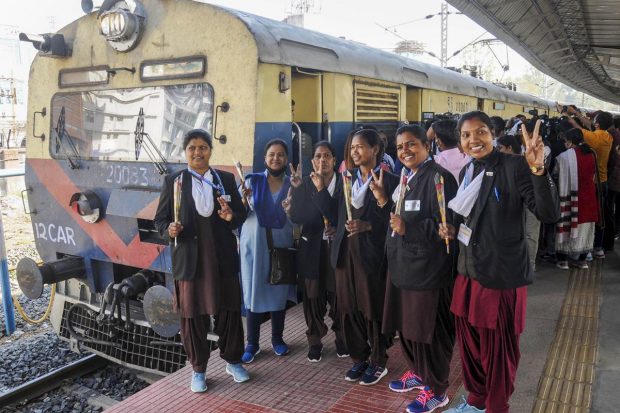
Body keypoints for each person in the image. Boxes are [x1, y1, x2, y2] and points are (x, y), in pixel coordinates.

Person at [440, 111, 559, 413]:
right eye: (466, 135)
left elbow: (548, 213)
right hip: (469, 273)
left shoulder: (514, 166)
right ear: (461, 141)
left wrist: (538, 169)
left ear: (492, 133)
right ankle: (477, 401)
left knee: (498, 353)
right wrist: (451, 229)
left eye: (480, 132)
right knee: (471, 348)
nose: (473, 140)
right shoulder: (467, 170)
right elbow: (469, 218)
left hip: (500, 276)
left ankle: (496, 407)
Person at [154, 129, 249, 393]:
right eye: (193, 148)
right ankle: (198, 370)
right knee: (192, 316)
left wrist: (232, 217)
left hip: (222, 258)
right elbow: (160, 221)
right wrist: (168, 230)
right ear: (185, 152)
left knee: (228, 311)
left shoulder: (225, 179)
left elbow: (242, 214)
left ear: (210, 150)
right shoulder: (174, 182)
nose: (198, 152)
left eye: (203, 147)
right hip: (189, 261)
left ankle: (233, 361)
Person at [380, 125, 458, 413]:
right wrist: (383, 201)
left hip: (428, 269)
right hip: (404, 266)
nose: (405, 151)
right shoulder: (408, 177)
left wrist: (409, 227)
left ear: (427, 146)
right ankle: (418, 372)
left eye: (411, 144)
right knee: (409, 327)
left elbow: (449, 224)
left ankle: (437, 390)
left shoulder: (439, 178)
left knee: (429, 331)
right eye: (400, 147)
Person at [315, 128, 399, 385]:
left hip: (372, 255)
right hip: (344, 254)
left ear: (375, 150)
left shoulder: (391, 181)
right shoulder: (346, 177)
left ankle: (378, 360)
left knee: (371, 307)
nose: (355, 151)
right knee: (348, 308)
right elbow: (335, 212)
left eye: (360, 147)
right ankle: (358, 357)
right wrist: (320, 189)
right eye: (352, 148)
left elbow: (396, 221)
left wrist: (368, 226)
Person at [287, 141, 349, 362]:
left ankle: (342, 338)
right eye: (318, 156)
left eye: (326, 156)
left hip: (336, 249)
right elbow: (298, 217)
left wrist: (337, 224)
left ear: (334, 160)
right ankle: (314, 341)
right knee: (312, 298)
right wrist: (292, 203)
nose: (322, 160)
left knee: (339, 296)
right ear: (313, 161)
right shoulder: (304, 184)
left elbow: (342, 215)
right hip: (312, 247)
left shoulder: (344, 184)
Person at [239, 139, 297, 363]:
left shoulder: (293, 184)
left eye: (281, 154)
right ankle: (252, 343)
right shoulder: (251, 181)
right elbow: (238, 213)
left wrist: (293, 208)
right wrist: (243, 200)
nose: (276, 158)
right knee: (254, 293)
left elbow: (298, 219)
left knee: (277, 291)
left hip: (280, 245)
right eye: (272, 154)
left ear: (286, 159)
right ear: (265, 158)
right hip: (253, 247)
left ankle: (277, 339)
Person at [565, 108, 614, 255]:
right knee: (602, 214)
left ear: (597, 124)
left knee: (593, 216)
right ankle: (599, 246)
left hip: (594, 183)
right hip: (603, 181)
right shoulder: (607, 136)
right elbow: (588, 126)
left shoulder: (594, 138)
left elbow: (579, 129)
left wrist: (568, 116)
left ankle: (595, 248)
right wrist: (575, 113)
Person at [554, 128, 600, 270]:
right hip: (589, 198)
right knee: (586, 230)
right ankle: (582, 261)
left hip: (570, 198)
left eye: (566, 141)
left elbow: (555, 175)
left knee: (565, 225)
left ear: (570, 142)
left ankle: (563, 261)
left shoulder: (563, 157)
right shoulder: (592, 154)